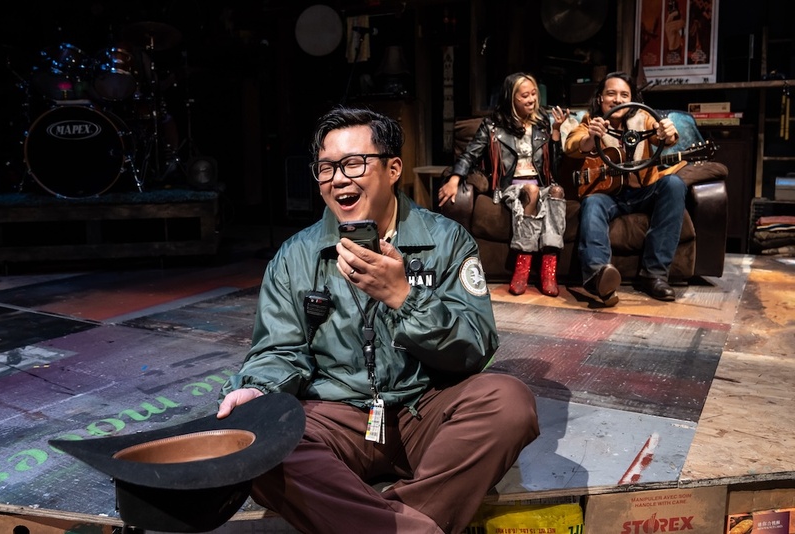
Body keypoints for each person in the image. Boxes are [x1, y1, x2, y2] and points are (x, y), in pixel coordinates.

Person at [217, 106, 539, 534]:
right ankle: (413, 528)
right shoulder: (295, 257)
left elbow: (475, 347)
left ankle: (372, 520)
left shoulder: (444, 240)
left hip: (423, 409)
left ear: (392, 169)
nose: (337, 178)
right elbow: (279, 350)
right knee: (258, 443)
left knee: (509, 402)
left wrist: (403, 297)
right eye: (326, 167)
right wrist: (257, 387)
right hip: (337, 415)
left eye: (353, 163)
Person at [438, 72, 569, 297]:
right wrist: (454, 178)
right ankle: (523, 266)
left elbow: (554, 170)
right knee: (532, 190)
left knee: (556, 191)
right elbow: (470, 155)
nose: (531, 99)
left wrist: (556, 131)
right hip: (511, 187)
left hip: (540, 185)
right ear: (511, 98)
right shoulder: (492, 126)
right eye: (524, 96)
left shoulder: (542, 124)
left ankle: (549, 268)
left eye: (534, 94)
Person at [563, 71, 685, 305]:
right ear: (600, 99)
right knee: (592, 202)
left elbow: (664, 137)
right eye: (611, 94)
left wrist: (668, 134)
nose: (617, 99)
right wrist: (590, 138)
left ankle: (655, 276)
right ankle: (599, 276)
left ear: (632, 98)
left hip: (643, 191)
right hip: (610, 196)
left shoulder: (643, 118)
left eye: (624, 94)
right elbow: (571, 145)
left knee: (674, 184)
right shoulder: (590, 121)